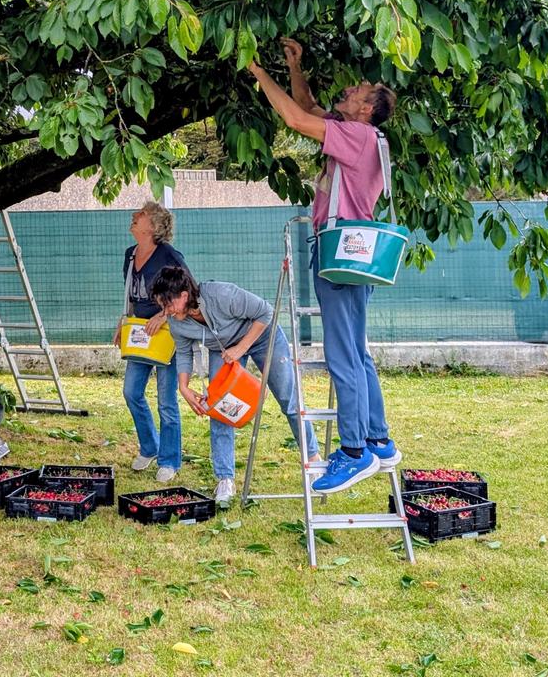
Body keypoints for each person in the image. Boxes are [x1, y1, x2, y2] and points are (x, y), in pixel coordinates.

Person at [245, 38, 399, 495]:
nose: (350, 89)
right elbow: (308, 105)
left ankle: (354, 453)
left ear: (367, 110)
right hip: (353, 253)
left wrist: (254, 68)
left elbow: (294, 119)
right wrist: (296, 66)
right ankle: (379, 439)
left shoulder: (357, 136)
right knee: (356, 350)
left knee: (341, 355)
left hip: (341, 252)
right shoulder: (361, 133)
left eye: (359, 90)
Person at [152, 265, 321, 505]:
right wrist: (184, 387)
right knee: (220, 409)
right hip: (222, 350)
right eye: (162, 306)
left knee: (288, 398)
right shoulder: (178, 322)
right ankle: (225, 479)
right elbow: (183, 352)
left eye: (167, 304)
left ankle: (313, 459)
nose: (165, 311)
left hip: (261, 335)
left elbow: (266, 313)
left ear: (184, 295)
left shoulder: (221, 294)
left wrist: (241, 348)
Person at [113, 201, 187, 482]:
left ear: (153, 226)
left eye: (140, 215)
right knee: (132, 392)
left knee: (166, 402)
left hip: (168, 335)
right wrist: (123, 321)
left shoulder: (169, 255)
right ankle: (149, 447)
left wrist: (165, 314)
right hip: (140, 333)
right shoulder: (130, 255)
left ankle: (169, 460)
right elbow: (130, 295)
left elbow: (187, 290)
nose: (134, 216)